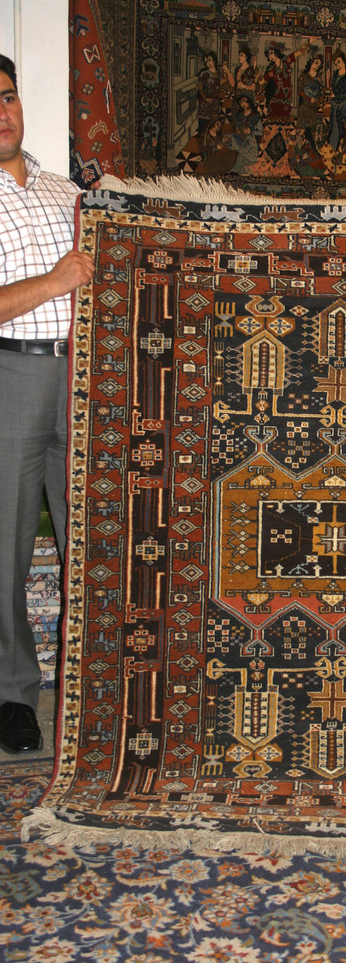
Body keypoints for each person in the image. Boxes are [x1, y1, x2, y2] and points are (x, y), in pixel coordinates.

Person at [0, 54, 94, 754]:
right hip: (12, 374)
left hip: (86, 380)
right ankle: (12, 695)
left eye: (7, 97)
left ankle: (96, 685)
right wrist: (57, 280)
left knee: (90, 541)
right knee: (5, 546)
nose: (2, 112)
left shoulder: (69, 193)